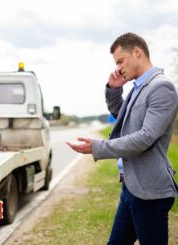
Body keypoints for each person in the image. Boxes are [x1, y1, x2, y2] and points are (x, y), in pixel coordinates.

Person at [67, 32, 178, 244]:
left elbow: (145, 138)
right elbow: (124, 118)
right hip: (131, 187)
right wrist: (114, 90)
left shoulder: (161, 87)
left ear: (137, 52)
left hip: (150, 193)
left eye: (120, 61)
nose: (119, 68)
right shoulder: (139, 86)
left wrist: (98, 147)